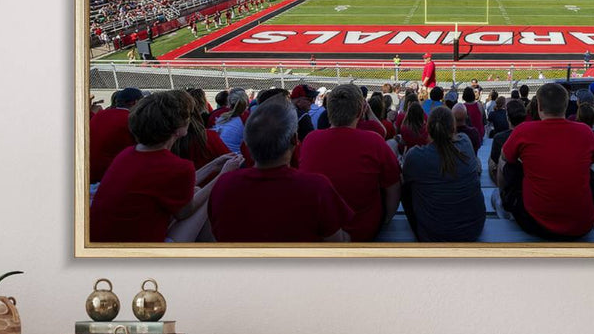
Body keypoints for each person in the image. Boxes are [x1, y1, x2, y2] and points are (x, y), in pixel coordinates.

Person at [91, 91, 239, 243]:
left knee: (196, 190)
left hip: (107, 237)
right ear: (178, 128)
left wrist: (214, 165)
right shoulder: (177, 166)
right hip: (139, 244)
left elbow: (172, 184)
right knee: (208, 197)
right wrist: (222, 175)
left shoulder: (127, 155)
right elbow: (184, 212)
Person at [207, 98, 351, 242]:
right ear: (295, 139)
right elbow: (338, 244)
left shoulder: (224, 185)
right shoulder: (316, 188)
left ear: (247, 143)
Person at [299, 83, 401, 241]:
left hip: (321, 233)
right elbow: (394, 185)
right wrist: (387, 219)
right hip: (364, 231)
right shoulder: (373, 141)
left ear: (329, 110)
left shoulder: (310, 140)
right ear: (361, 110)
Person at [500, 81, 594, 240]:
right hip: (582, 225)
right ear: (566, 106)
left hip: (536, 224)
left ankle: (504, 201)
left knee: (509, 165)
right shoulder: (586, 131)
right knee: (590, 170)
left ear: (539, 107)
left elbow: (505, 158)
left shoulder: (524, 130)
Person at [401, 105, 485, 242]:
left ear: (427, 128)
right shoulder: (465, 142)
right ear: (453, 128)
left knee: (405, 184)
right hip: (474, 228)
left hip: (433, 234)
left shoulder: (415, 156)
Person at [89, 86, 143, 183]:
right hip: (108, 175)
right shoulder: (132, 120)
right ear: (135, 102)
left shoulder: (101, 115)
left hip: (89, 170)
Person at [489, 98, 525, 184]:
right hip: (523, 176)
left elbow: (495, 160)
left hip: (508, 179)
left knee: (491, 160)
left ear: (507, 117)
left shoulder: (499, 138)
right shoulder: (531, 134)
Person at [214, 89, 249, 153]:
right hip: (236, 156)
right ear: (247, 102)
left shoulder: (222, 117)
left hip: (220, 154)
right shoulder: (247, 118)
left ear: (229, 102)